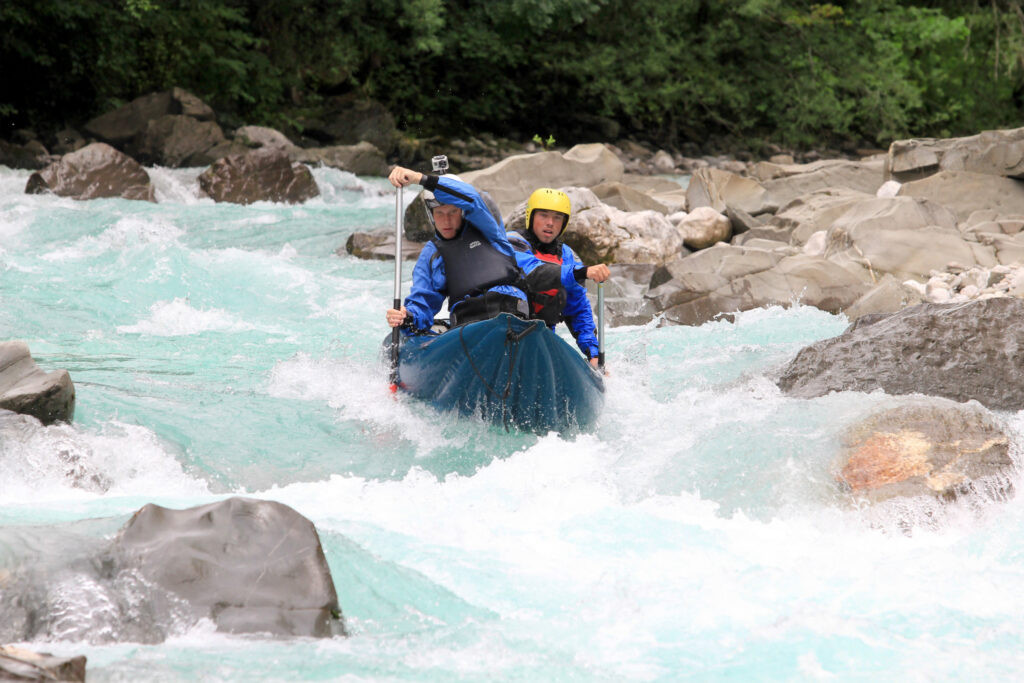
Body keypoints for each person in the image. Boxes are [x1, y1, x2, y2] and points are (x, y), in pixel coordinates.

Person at [385, 167, 582, 333]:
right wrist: (407, 316)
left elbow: (471, 198)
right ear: (431, 215)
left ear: (462, 211)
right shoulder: (432, 254)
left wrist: (420, 178)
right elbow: (423, 303)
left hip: (513, 315)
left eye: (453, 212)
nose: (446, 220)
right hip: (469, 325)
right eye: (440, 213)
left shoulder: (488, 227)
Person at [508, 188, 610, 368]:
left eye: (557, 218)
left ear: (564, 223)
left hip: (541, 340)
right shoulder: (511, 242)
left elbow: (578, 308)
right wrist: (581, 272)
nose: (550, 223)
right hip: (505, 333)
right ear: (531, 217)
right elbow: (534, 273)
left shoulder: (568, 256)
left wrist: (593, 353)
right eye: (543, 215)